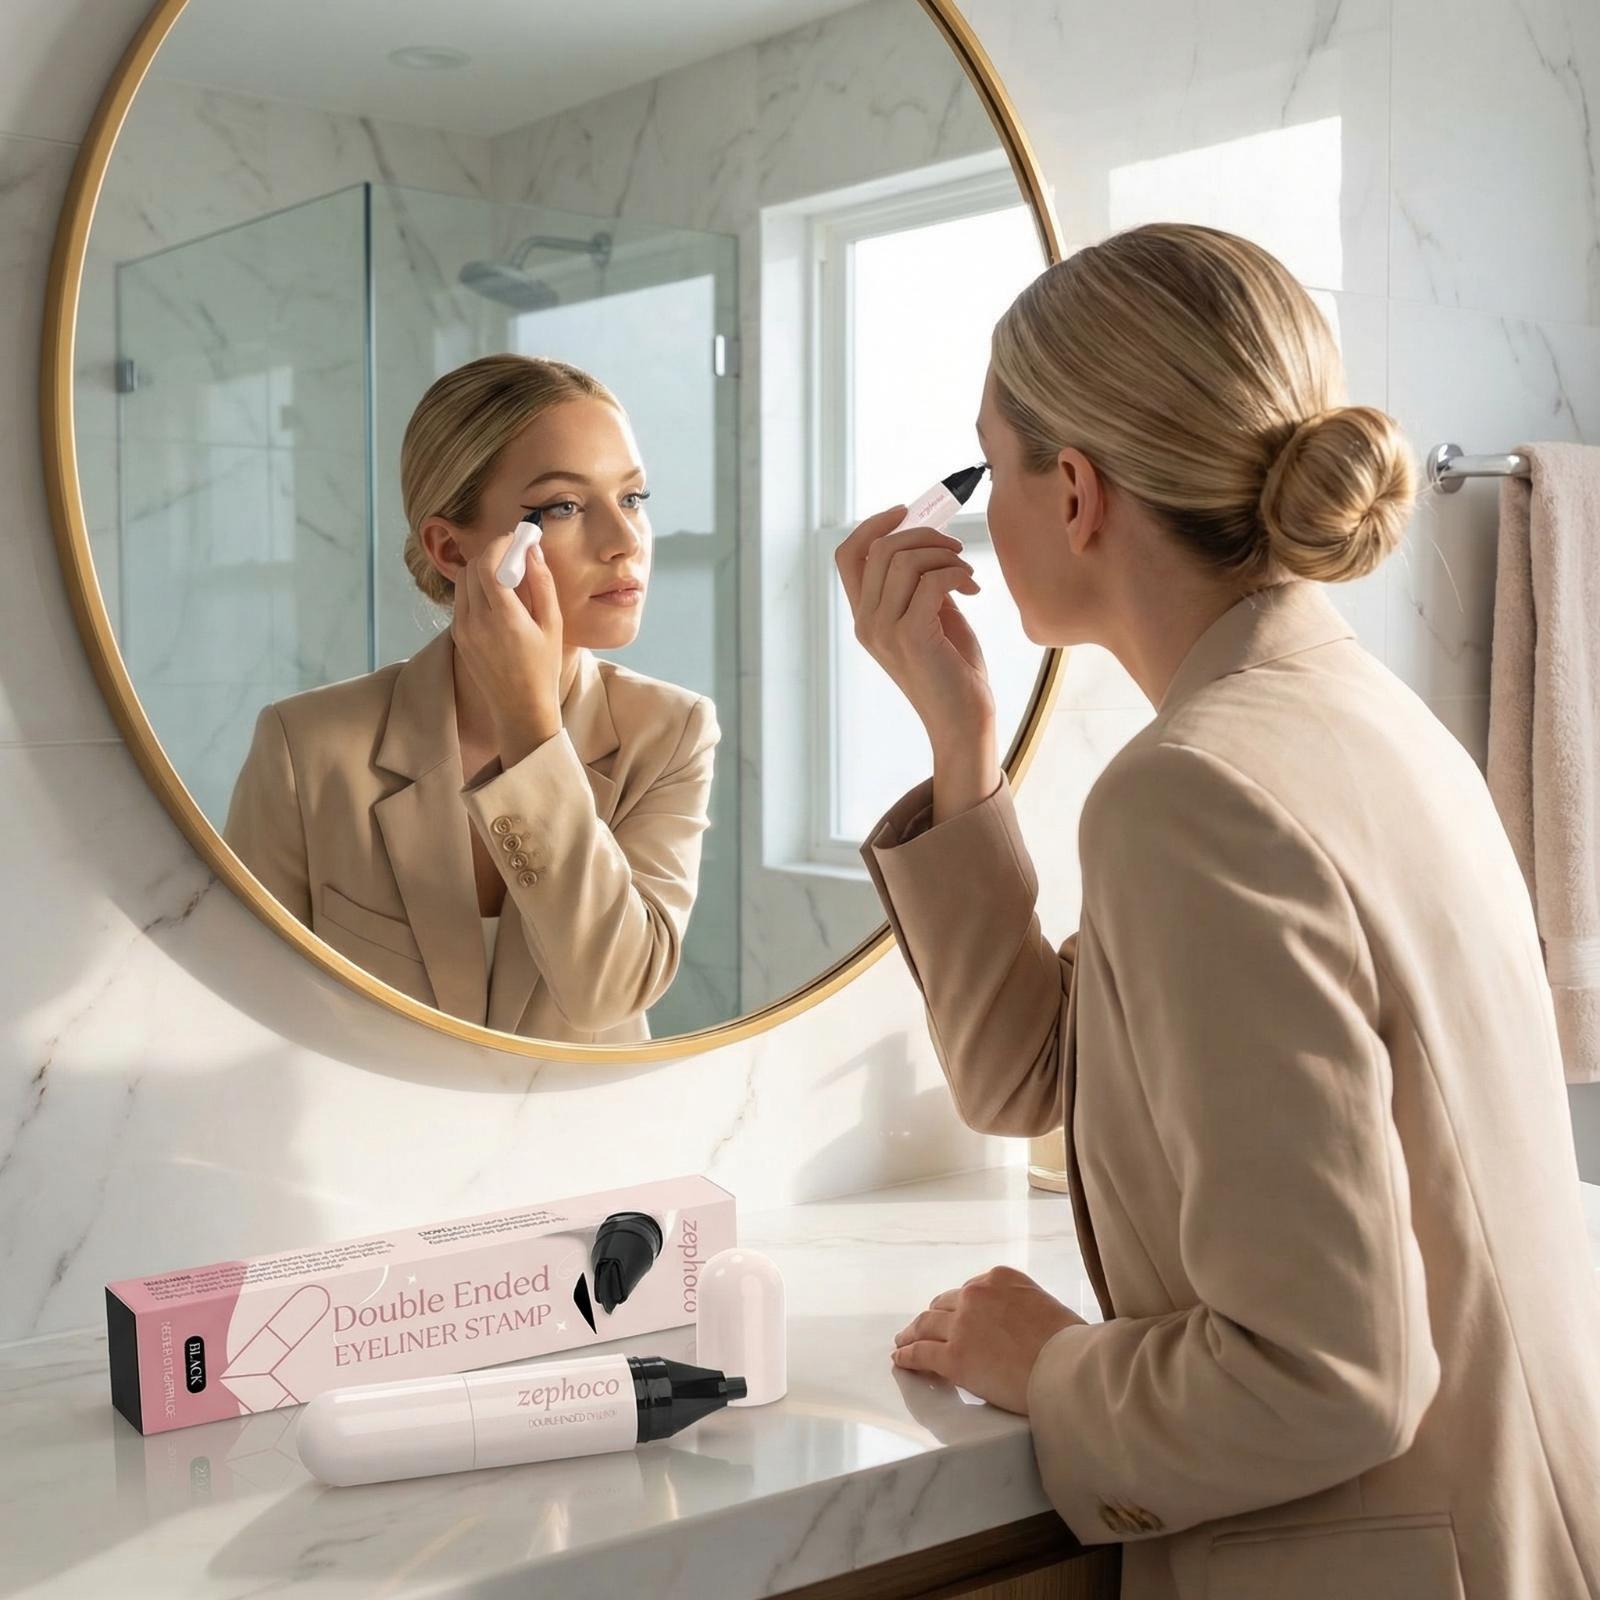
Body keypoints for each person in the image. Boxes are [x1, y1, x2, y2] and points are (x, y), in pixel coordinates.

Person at [839, 223, 1600, 1599]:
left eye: (988, 469)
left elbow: (1328, 1376)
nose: (976, 515)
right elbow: (1034, 1075)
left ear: (1076, 492)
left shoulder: (1192, 791)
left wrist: (1048, 1366)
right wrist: (962, 745)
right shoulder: (1360, 719)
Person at [226, 354, 718, 1043]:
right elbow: (244, 1003)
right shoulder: (306, 747)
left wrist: (530, 727)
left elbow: (608, 992)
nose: (625, 541)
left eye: (633, 498)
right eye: (565, 506)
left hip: (589, 1116)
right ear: (452, 551)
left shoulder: (670, 733)